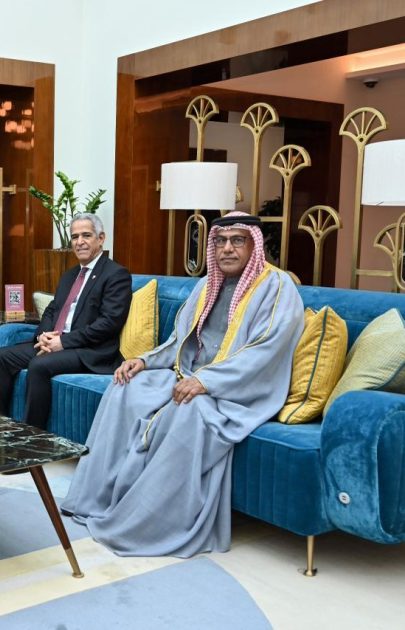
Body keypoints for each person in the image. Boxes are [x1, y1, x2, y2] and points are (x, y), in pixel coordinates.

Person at [60, 212, 304, 557]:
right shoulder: (206, 285)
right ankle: (98, 499)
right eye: (220, 241)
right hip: (188, 374)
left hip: (237, 390)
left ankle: (144, 522)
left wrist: (206, 381)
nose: (227, 249)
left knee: (187, 409)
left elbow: (266, 352)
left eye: (238, 240)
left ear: (255, 244)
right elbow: (180, 340)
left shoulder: (277, 288)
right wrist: (144, 361)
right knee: (125, 385)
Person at [0, 213, 132, 429]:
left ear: (101, 238)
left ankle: (32, 437)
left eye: (86, 235)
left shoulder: (116, 274)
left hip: (89, 351)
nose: (79, 242)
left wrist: (64, 342)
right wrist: (42, 336)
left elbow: (109, 323)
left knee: (39, 365)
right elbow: (52, 311)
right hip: (56, 343)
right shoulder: (71, 275)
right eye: (75, 237)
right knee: (1, 357)